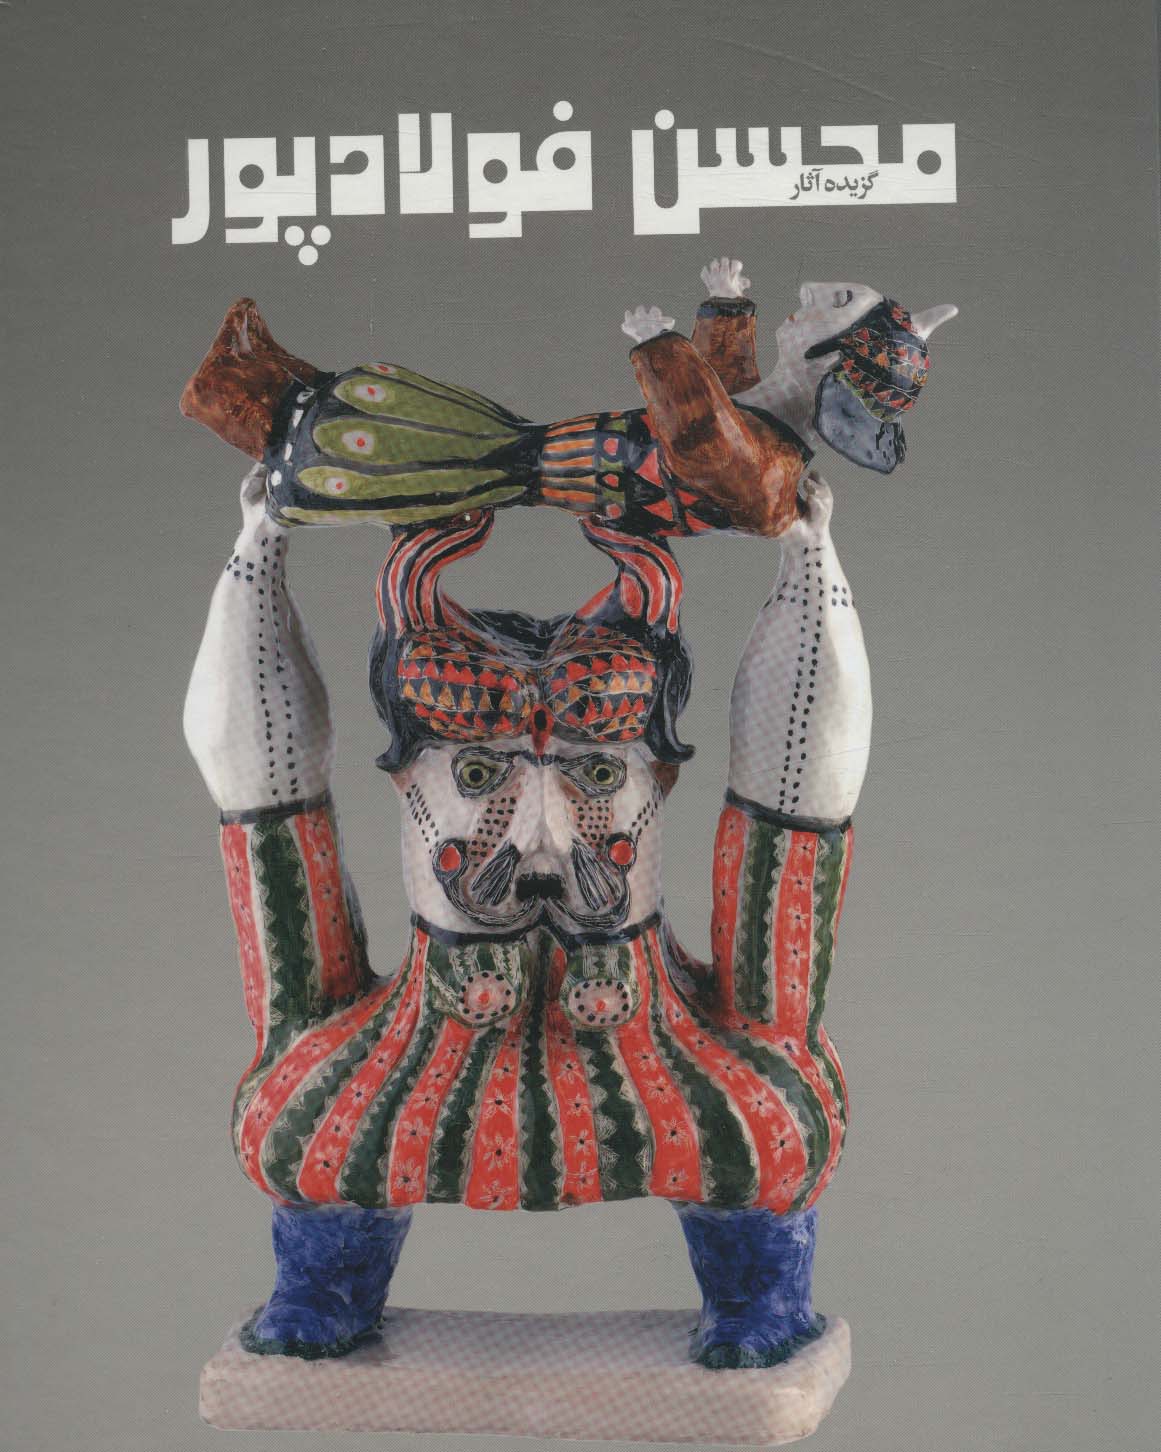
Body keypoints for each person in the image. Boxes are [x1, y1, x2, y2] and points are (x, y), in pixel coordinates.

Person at [183, 261, 953, 1365]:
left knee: (773, 1113)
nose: (537, 817)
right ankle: (326, 1293)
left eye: (597, 770)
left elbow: (798, 795)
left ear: (658, 774)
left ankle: (756, 1304)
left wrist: (808, 555)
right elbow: (262, 784)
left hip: (663, 1051)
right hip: (407, 1064)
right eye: (478, 771)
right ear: (407, 774)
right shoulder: (344, 1056)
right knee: (296, 1110)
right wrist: (258, 549)